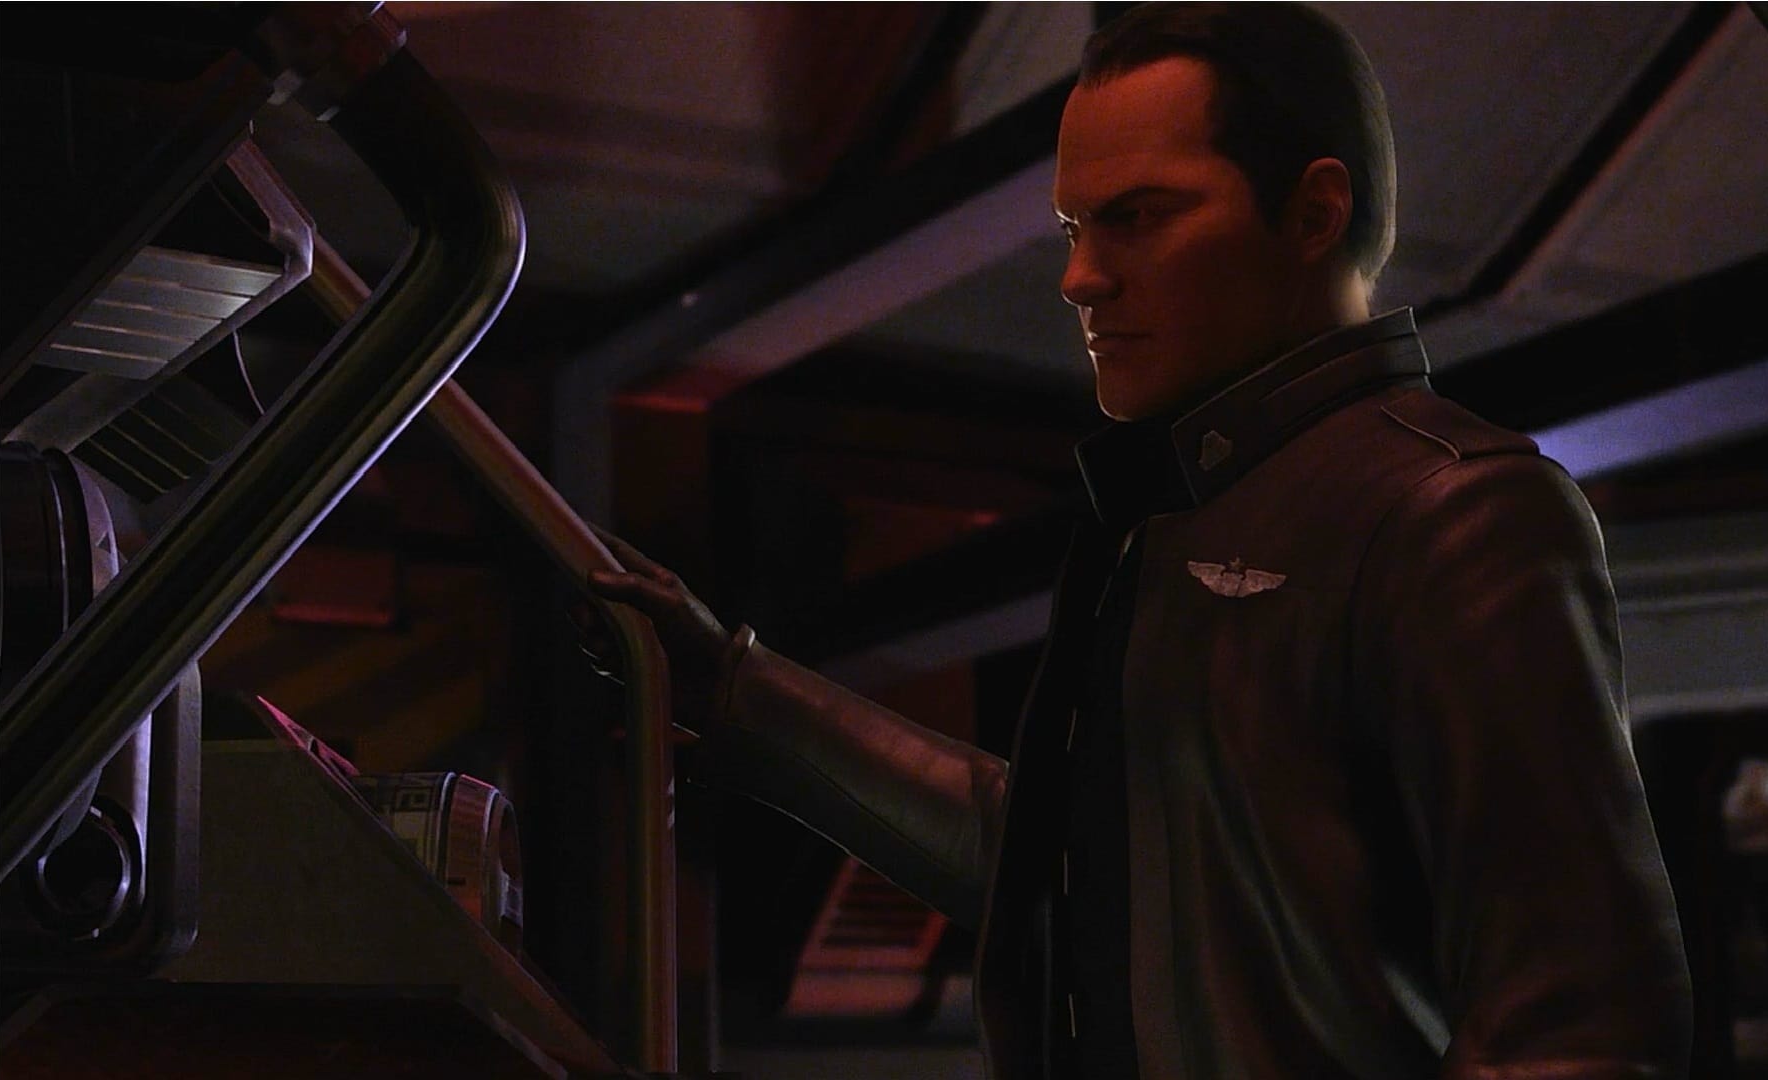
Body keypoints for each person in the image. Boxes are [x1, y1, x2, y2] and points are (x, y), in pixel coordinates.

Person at [589, 4, 1693, 1077]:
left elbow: (1579, 1030)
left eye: (1139, 217)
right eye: (1076, 229)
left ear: (1314, 214)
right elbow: (1067, 861)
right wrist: (736, 695)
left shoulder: (1456, 513)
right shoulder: (1183, 508)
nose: (1080, 277)